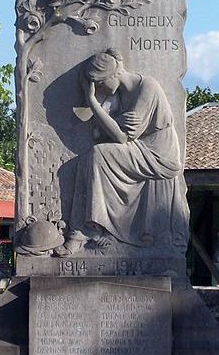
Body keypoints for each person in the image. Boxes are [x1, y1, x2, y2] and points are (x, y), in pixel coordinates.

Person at [55, 48, 189, 255]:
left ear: (114, 74)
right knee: (88, 159)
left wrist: (92, 102)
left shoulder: (148, 88)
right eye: (93, 86)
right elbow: (100, 133)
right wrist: (108, 117)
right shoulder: (116, 94)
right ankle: (79, 232)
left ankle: (90, 229)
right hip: (139, 149)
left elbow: (120, 137)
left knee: (98, 155)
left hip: (159, 154)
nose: (96, 88)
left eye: (99, 83)